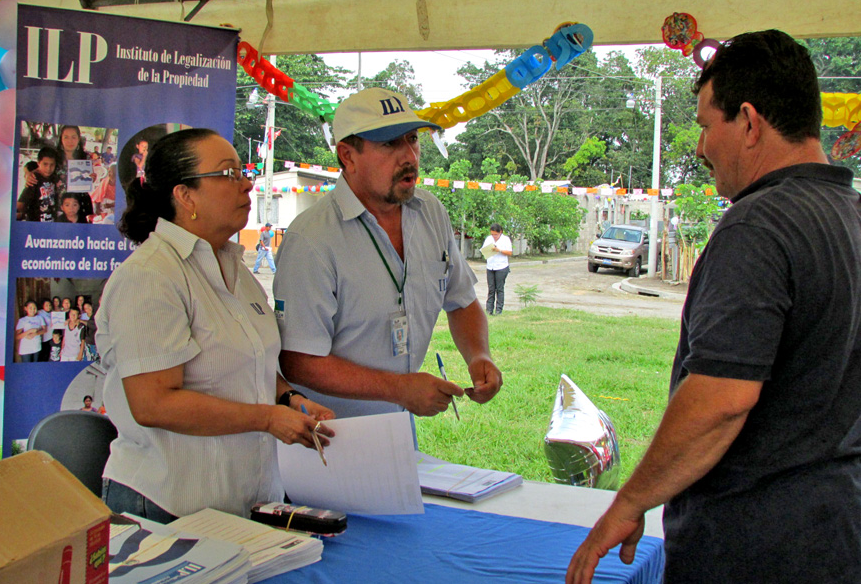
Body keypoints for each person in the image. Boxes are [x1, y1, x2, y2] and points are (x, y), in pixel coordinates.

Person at [566, 30, 861, 584]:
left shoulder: (759, 224)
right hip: (839, 528)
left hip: (756, 545)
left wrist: (628, 502)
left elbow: (721, 401)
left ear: (749, 123)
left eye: (705, 126)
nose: (699, 148)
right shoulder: (851, 214)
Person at [95, 128, 335, 523]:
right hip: (167, 504)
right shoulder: (151, 276)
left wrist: (291, 400)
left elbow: (252, 364)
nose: (247, 184)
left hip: (244, 501)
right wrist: (267, 418)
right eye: (229, 175)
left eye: (245, 171)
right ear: (184, 195)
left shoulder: (237, 270)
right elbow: (153, 403)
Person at [273, 87, 502, 420]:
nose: (409, 155)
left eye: (412, 139)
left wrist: (480, 355)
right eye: (390, 144)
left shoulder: (430, 212)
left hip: (399, 425)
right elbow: (297, 360)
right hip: (326, 435)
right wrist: (398, 388)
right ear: (348, 156)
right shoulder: (311, 240)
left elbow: (462, 300)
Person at [16, 147, 58, 222]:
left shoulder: (55, 177)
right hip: (36, 224)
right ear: (38, 163)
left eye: (52, 165)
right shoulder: (33, 180)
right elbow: (20, 205)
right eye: (45, 164)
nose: (48, 168)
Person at [481, 223, 512, 315]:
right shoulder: (488, 239)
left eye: (496, 234)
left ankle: (499, 310)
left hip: (501, 266)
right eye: (492, 234)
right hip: (490, 266)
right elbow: (484, 250)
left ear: (500, 232)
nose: (494, 236)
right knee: (491, 289)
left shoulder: (505, 239)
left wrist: (499, 250)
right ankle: (489, 310)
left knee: (499, 288)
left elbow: (509, 252)